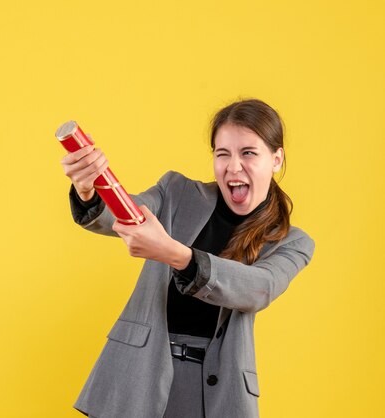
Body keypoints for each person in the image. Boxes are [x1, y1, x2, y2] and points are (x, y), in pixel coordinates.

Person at [59, 99, 315, 418]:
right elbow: (125, 214)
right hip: (140, 375)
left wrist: (174, 253)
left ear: (276, 159)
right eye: (223, 154)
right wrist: (89, 190)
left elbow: (257, 289)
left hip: (217, 392)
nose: (233, 167)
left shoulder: (292, 242)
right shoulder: (177, 192)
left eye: (248, 152)